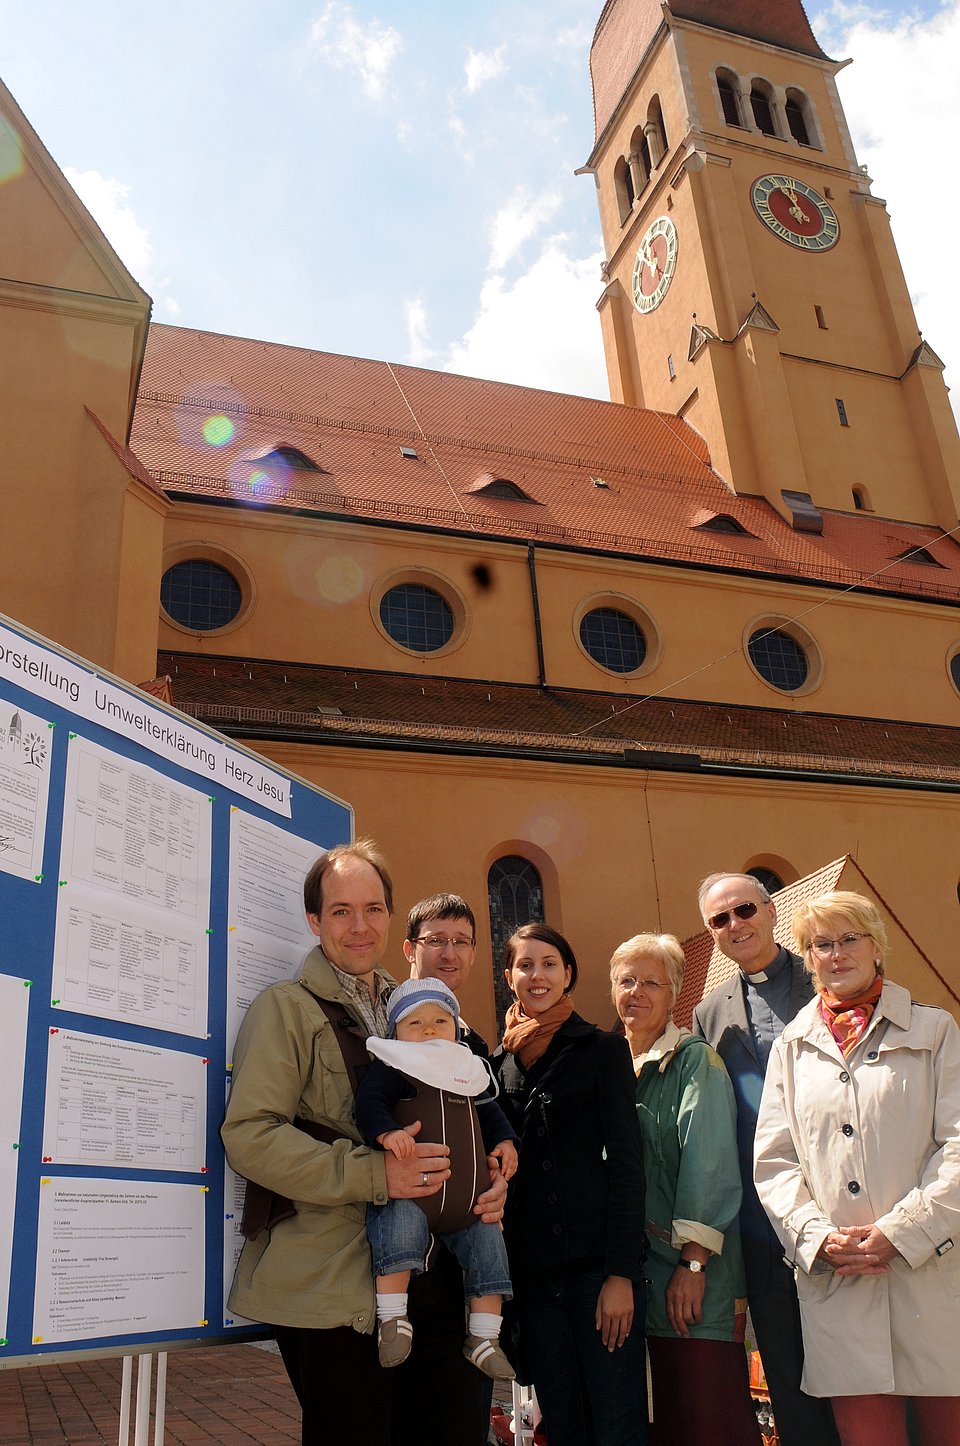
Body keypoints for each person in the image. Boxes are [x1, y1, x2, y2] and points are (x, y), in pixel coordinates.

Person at [221, 841, 505, 1446]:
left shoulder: (419, 1012)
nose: (359, 925)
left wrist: (487, 1183)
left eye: (373, 908)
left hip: (436, 1280)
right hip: (336, 1290)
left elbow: (468, 1115)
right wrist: (377, 1176)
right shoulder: (286, 1010)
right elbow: (249, 1136)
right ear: (314, 921)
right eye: (341, 910)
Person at [754, 890, 960, 1446]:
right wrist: (817, 1240)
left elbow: (959, 1147)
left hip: (932, 1277)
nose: (837, 954)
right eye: (822, 944)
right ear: (807, 956)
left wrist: (901, 1233)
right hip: (840, 1282)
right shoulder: (790, 1049)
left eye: (850, 939)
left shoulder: (935, 1031)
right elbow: (774, 1163)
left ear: (877, 947)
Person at [692, 872, 839, 1446]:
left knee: (858, 1363)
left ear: (771, 910)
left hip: (839, 1202)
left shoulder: (823, 976)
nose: (735, 925)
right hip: (762, 1218)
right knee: (784, 1364)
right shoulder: (709, 1011)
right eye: (719, 919)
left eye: (744, 910)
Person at [493, 923, 649, 1446]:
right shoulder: (498, 1066)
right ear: (509, 976)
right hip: (534, 1282)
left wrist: (621, 1275)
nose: (537, 975)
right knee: (562, 1429)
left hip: (596, 1275)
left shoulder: (601, 1049)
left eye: (549, 964)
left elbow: (629, 1167)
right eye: (525, 965)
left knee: (618, 1426)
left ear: (568, 975)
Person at [611, 932, 760, 1446]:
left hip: (694, 1286)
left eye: (651, 982)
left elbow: (710, 1164)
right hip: (637, 1284)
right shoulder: (614, 1069)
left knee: (707, 1422)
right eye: (626, 980)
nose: (637, 991)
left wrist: (693, 1264)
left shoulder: (695, 1062)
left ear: (675, 993)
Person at [356, 976, 518, 1377]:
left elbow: (491, 1113)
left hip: (471, 1203)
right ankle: (392, 1320)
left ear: (456, 1028)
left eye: (440, 1021)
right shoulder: (394, 1066)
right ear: (395, 1033)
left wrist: (507, 1143)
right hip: (413, 1195)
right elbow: (368, 1105)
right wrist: (387, 1133)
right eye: (415, 1023)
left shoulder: (467, 1069)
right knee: (397, 1232)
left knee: (491, 1249)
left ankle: (484, 1336)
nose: (429, 1029)